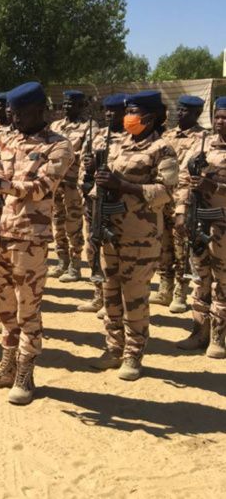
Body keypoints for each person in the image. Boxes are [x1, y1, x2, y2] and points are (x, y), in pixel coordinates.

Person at [0, 82, 72, 405]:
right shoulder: (5, 139)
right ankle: (7, 365)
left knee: (28, 308)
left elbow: (40, 187)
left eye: (20, 113)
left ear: (39, 111)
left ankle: (26, 373)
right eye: (11, 113)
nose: (13, 119)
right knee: (4, 306)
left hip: (29, 239)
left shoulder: (58, 147)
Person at [89, 91, 178, 381]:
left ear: (150, 117)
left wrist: (124, 185)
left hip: (140, 236)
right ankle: (114, 348)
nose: (128, 117)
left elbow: (166, 192)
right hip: (111, 232)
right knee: (110, 293)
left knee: (134, 297)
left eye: (134, 112)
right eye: (127, 111)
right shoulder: (118, 144)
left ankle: (134, 354)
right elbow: (104, 185)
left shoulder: (163, 149)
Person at [174, 97, 226, 357]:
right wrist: (182, 212)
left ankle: (218, 337)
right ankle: (198, 332)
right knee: (200, 278)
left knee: (222, 282)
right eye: (217, 116)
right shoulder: (201, 144)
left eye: (225, 117)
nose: (220, 121)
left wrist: (215, 187)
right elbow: (184, 180)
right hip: (199, 220)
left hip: (222, 225)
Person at [153, 94, 208, 312]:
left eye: (185, 110)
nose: (180, 113)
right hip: (163, 199)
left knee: (181, 248)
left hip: (183, 201)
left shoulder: (202, 139)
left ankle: (180, 292)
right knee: (163, 246)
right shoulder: (167, 135)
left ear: (197, 114)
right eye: (179, 109)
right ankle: (164, 288)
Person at [77, 93, 126, 314]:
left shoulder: (130, 140)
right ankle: (99, 295)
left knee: (117, 254)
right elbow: (83, 168)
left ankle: (116, 301)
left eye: (114, 110)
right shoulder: (97, 136)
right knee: (93, 248)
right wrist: (86, 178)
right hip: (94, 201)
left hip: (119, 206)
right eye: (107, 110)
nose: (109, 114)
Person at [49, 90, 91, 282]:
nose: (66, 107)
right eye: (65, 103)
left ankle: (75, 265)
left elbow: (86, 157)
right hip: (55, 183)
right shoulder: (56, 126)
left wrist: (81, 182)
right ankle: (62, 261)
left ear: (81, 106)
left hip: (73, 185)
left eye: (71, 104)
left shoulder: (89, 127)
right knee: (57, 222)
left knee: (73, 224)